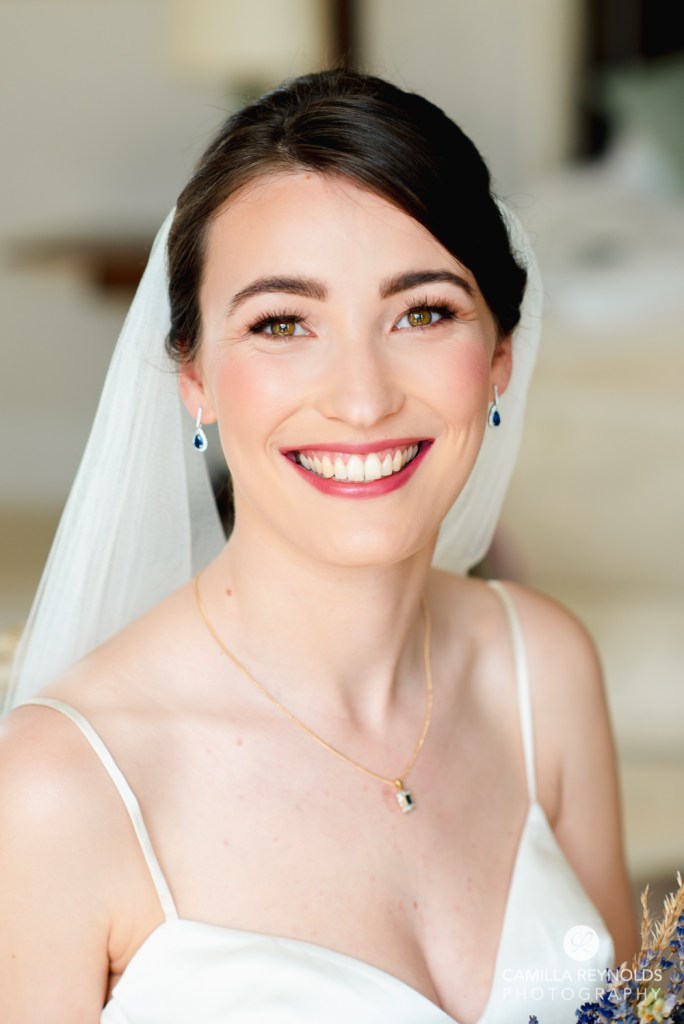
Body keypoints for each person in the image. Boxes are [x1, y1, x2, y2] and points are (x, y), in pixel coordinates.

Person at [0, 70, 635, 1023]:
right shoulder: (58, 790)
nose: (362, 397)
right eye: (282, 323)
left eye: (423, 312)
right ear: (195, 379)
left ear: (498, 355)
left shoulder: (542, 669)